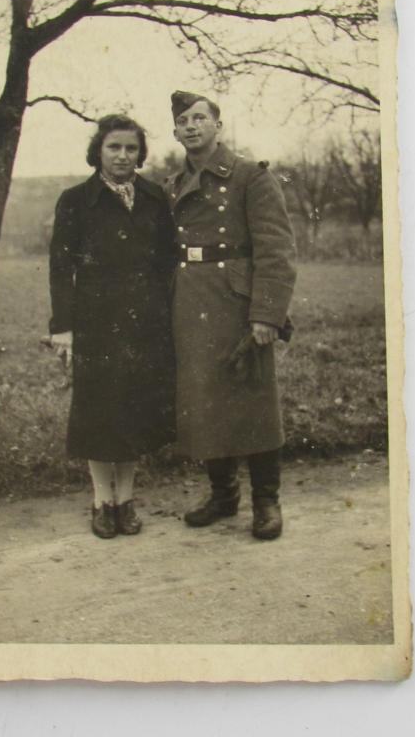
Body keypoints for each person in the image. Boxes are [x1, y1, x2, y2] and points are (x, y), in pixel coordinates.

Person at [165, 91, 297, 540]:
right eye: (183, 120)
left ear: (217, 125)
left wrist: (267, 314)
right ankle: (223, 496)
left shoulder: (250, 176)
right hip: (190, 301)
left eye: (200, 117)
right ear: (176, 131)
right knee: (205, 402)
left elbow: (276, 249)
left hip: (240, 303)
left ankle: (267, 502)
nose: (192, 126)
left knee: (255, 401)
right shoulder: (173, 184)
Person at [48, 114, 176, 539]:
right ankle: (101, 501)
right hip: (96, 325)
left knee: (134, 411)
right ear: (98, 151)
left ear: (140, 154)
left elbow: (166, 265)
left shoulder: (156, 198)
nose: (123, 156)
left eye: (131, 148)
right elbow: (60, 267)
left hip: (146, 325)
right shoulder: (75, 200)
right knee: (100, 413)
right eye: (114, 147)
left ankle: (126, 500)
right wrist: (63, 328)